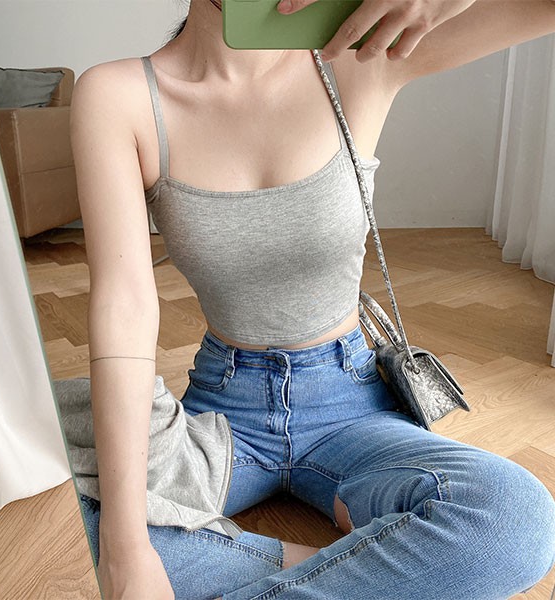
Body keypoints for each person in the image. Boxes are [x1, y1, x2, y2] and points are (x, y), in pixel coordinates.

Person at [69, 1, 555, 598]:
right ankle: (348, 564)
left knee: (511, 520)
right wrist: (126, 550)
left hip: (352, 406)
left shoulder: (362, 53)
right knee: (57, 504)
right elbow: (124, 304)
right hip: (221, 419)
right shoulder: (118, 96)